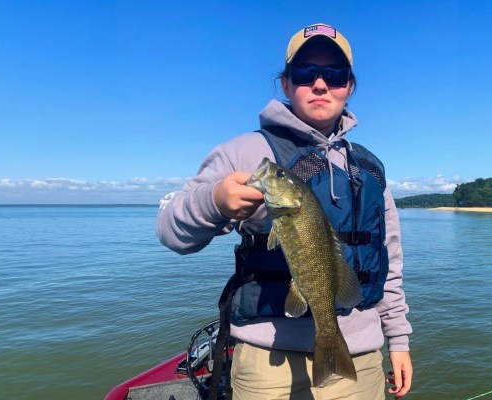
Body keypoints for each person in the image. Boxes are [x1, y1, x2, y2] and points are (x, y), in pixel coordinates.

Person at [157, 22, 413, 400]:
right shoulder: (244, 151)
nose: (320, 84)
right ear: (286, 83)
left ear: (350, 86)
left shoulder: (369, 168)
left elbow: (389, 260)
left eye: (334, 75)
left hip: (359, 357)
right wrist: (214, 202)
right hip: (267, 360)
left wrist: (399, 339)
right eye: (306, 73)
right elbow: (170, 232)